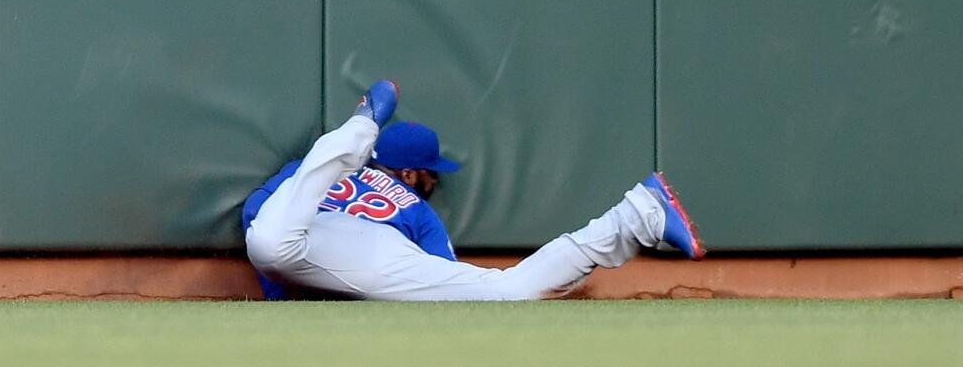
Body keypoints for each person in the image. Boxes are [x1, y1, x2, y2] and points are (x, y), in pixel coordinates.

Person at [242, 79, 705, 301]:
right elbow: (445, 285)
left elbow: (254, 211)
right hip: (369, 251)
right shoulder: (417, 212)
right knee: (500, 292)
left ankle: (361, 124)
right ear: (408, 174)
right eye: (430, 173)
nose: (433, 182)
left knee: (268, 236)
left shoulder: (307, 172)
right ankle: (635, 216)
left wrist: (281, 296)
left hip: (314, 225)